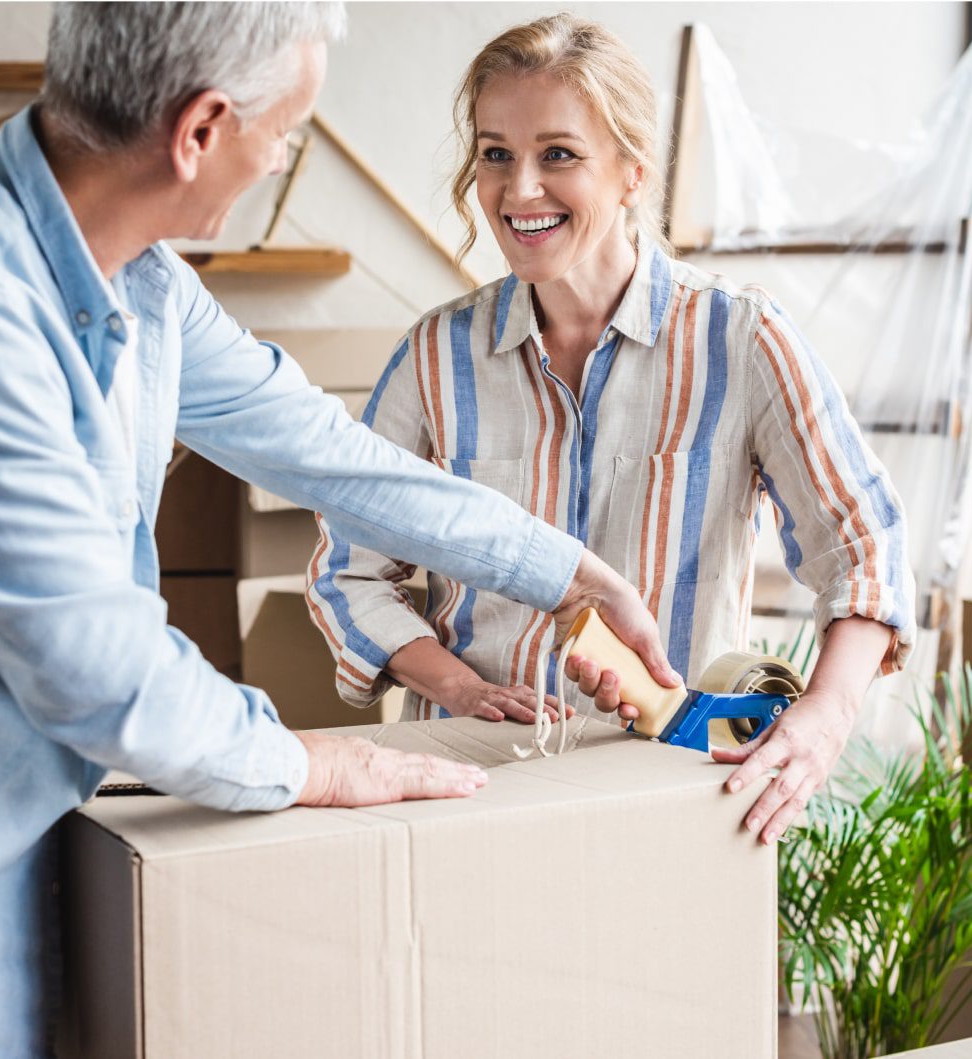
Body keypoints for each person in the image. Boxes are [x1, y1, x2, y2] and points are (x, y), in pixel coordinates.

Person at [0, 5, 681, 1057]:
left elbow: (329, 452)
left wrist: (572, 574)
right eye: (289, 133)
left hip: (63, 846)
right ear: (201, 131)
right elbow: (92, 662)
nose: (282, 161)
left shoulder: (141, 283)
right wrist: (314, 764)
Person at [308, 13, 916, 850]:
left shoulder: (741, 341)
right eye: (495, 154)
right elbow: (348, 570)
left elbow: (867, 552)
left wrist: (821, 719)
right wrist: (455, 686)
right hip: (472, 791)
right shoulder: (433, 357)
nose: (519, 190)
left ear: (632, 171)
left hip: (676, 795)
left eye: (558, 154)